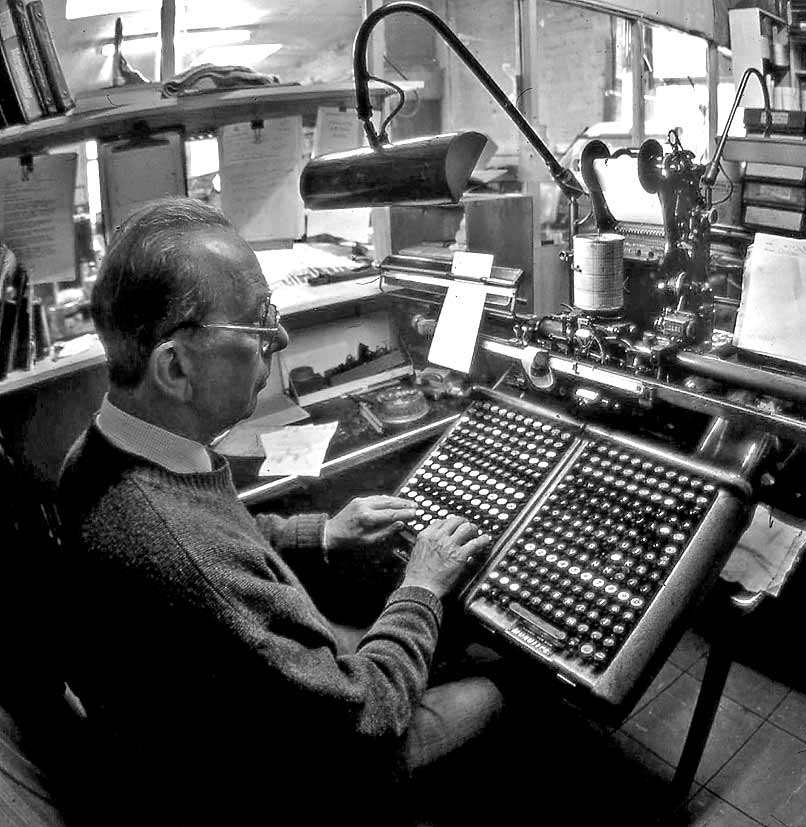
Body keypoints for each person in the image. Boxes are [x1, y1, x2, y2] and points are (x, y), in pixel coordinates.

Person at [57, 196, 501, 825]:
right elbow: (365, 715)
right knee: (493, 686)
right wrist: (422, 588)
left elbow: (218, 537)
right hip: (286, 778)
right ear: (175, 366)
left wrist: (323, 531)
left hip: (208, 720)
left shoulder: (102, 451)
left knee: (422, 647)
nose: (282, 338)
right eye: (258, 324)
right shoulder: (188, 557)